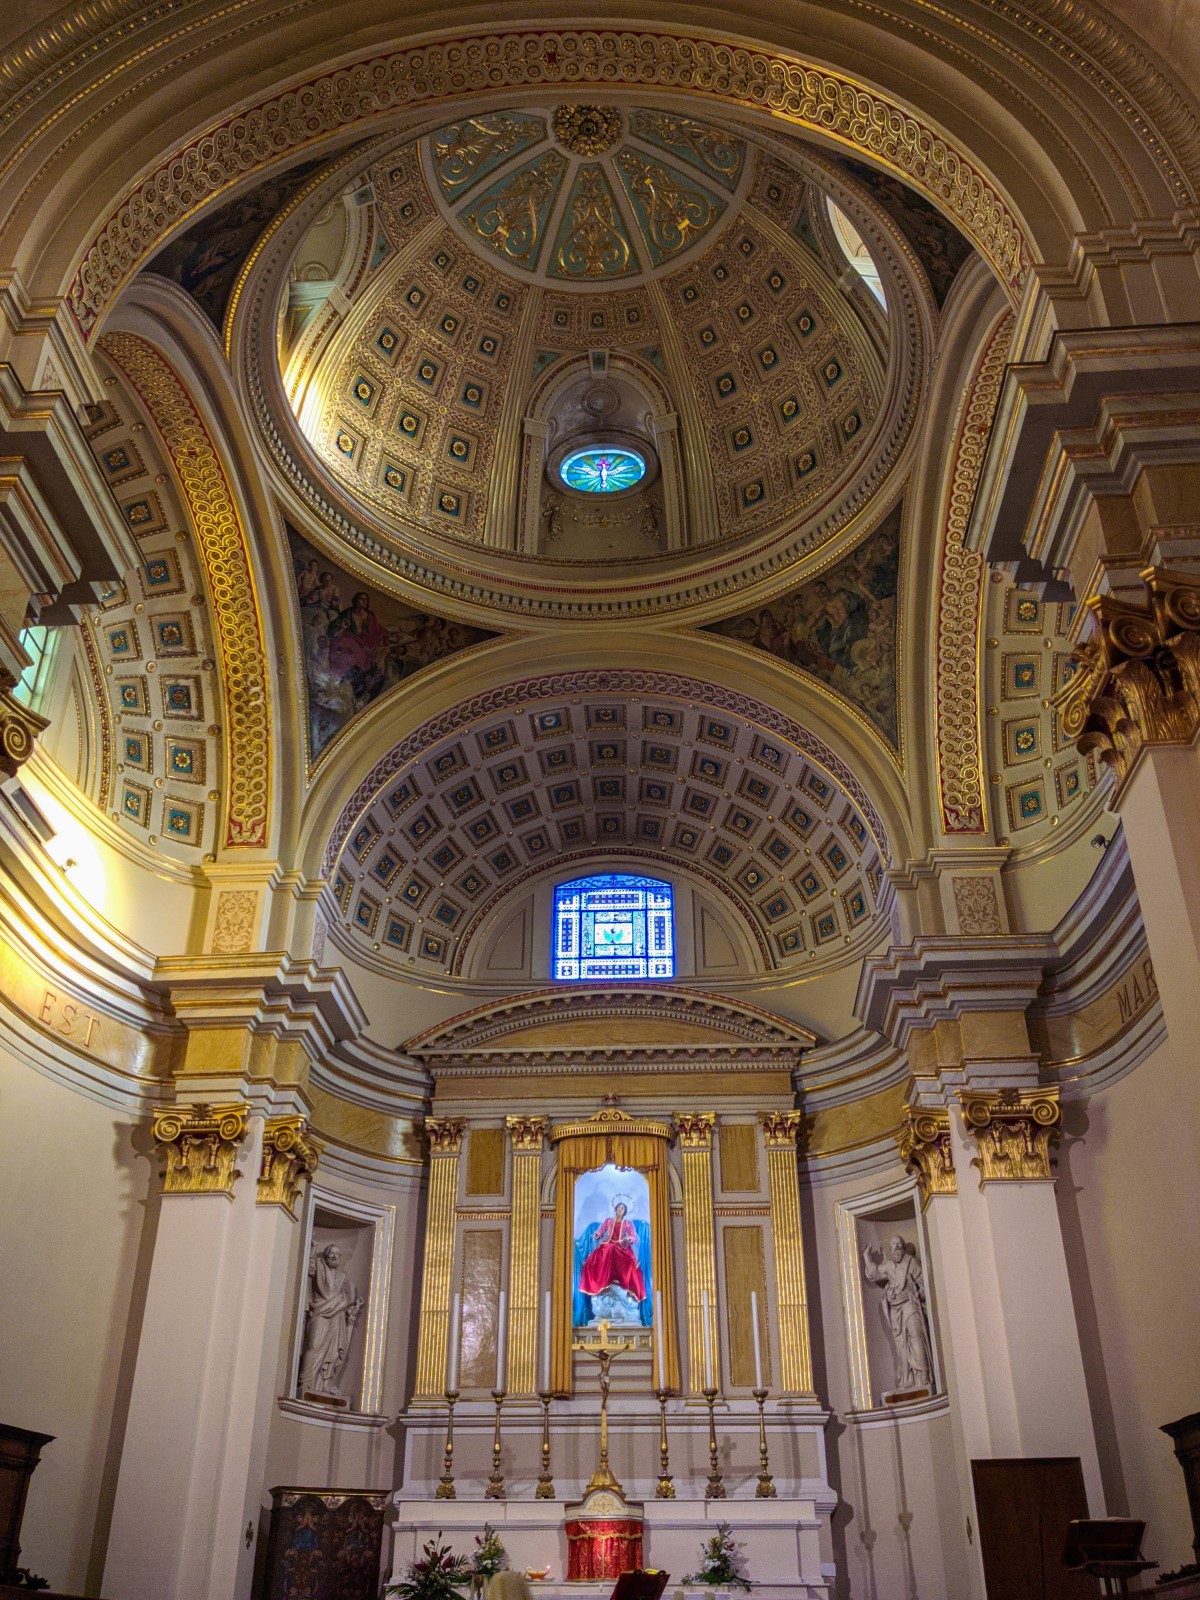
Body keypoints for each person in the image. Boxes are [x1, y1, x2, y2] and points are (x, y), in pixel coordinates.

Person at [862, 1235, 934, 1394]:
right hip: (895, 1309)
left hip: (910, 1305)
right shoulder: (888, 1266)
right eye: (894, 1247)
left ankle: (923, 1375)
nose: (897, 1250)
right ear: (890, 1250)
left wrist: (917, 1292)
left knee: (916, 1337)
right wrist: (867, 1256)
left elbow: (923, 1285)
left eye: (899, 1246)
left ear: (903, 1248)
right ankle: (907, 1379)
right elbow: (874, 1274)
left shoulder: (911, 1263)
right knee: (901, 1344)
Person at [297, 1242, 363, 1399]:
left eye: (337, 1254)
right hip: (320, 1313)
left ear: (340, 1258)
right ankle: (306, 1383)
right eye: (331, 1253)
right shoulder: (320, 1267)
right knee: (314, 1346)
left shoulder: (342, 1278)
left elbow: (348, 1298)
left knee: (332, 1352)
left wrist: (352, 1308)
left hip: (337, 1317)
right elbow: (310, 1268)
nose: (334, 1256)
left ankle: (324, 1385)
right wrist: (312, 1247)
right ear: (326, 1255)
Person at [579, 1199, 646, 1304]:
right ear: (616, 1209)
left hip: (622, 1246)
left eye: (622, 1208)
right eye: (619, 1207)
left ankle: (622, 1280)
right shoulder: (608, 1221)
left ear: (625, 1211)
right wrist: (597, 1234)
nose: (620, 1210)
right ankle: (602, 1280)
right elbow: (601, 1230)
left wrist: (629, 1238)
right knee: (597, 1257)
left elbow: (634, 1237)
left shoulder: (627, 1224)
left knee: (628, 1262)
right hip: (608, 1244)